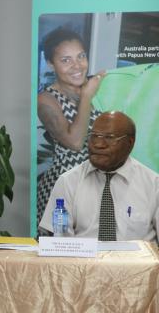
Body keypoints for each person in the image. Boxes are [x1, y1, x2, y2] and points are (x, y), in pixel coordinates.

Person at [39, 111, 159, 242]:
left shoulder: (153, 184)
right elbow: (58, 241)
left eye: (109, 137)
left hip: (136, 261)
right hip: (81, 261)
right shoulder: (68, 181)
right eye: (94, 136)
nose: (98, 144)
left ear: (129, 143)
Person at [37, 27, 106, 225]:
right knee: (63, 252)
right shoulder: (46, 100)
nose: (76, 66)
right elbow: (75, 142)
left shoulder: (99, 88)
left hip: (100, 184)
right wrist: (86, 96)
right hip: (65, 189)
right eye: (65, 60)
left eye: (81, 56)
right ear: (51, 64)